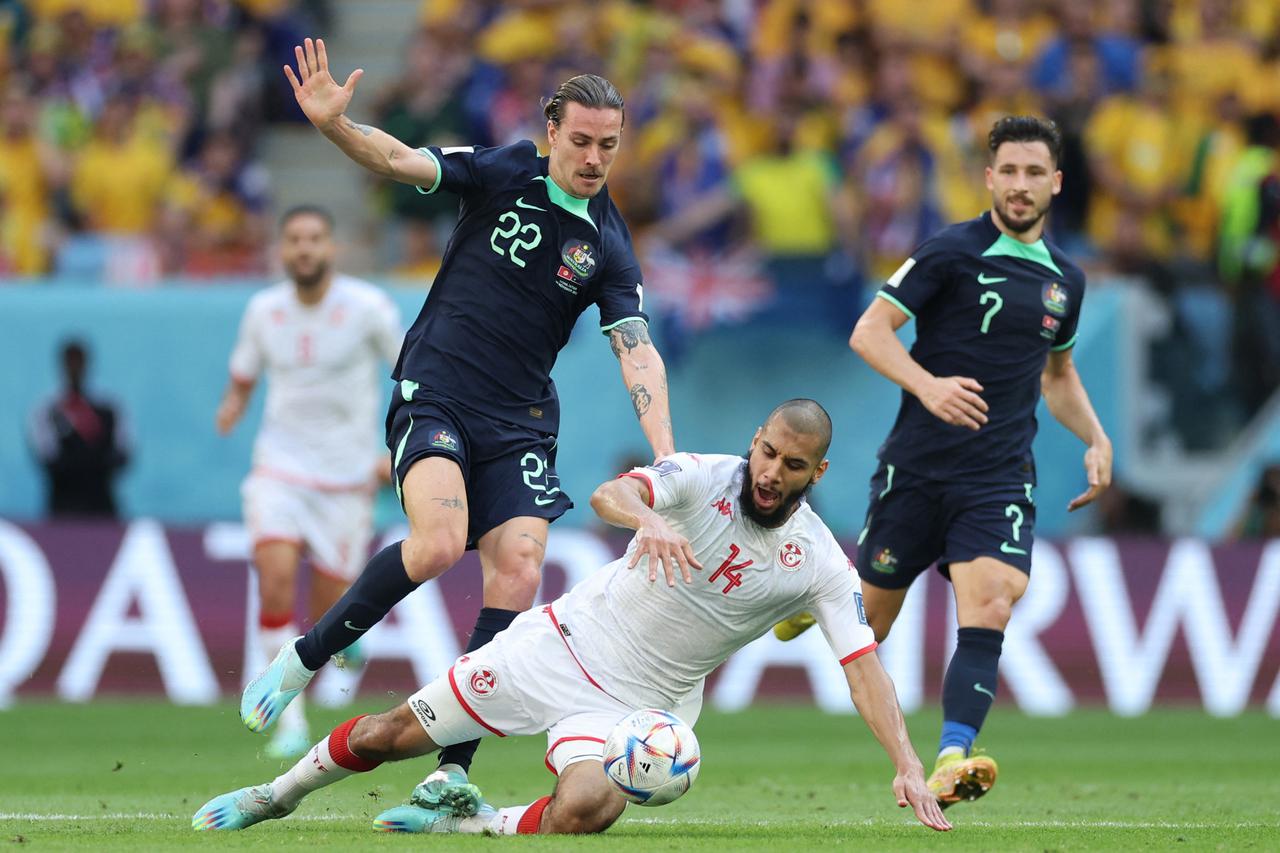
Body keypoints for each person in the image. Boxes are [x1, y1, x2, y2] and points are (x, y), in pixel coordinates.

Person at [239, 38, 676, 813]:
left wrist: (667, 456)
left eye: (609, 144)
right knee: (439, 542)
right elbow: (400, 160)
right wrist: (336, 128)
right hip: (437, 390)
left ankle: (452, 771)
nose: (594, 157)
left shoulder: (609, 245)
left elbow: (636, 352)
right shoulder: (505, 169)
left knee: (518, 568)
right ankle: (306, 658)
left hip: (521, 421)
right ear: (551, 131)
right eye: (581, 140)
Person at [192, 400, 952, 835]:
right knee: (389, 734)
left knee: (587, 807)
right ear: (755, 440)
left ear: (816, 473)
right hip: (560, 645)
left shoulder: (819, 560)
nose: (769, 473)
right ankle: (276, 795)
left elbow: (864, 668)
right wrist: (646, 520)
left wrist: (907, 762)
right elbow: (611, 494)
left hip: (643, 709)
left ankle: (477, 824)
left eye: (791, 465)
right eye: (767, 452)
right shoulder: (701, 477)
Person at [774, 116, 1112, 808]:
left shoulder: (1066, 283)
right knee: (871, 618)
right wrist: (928, 385)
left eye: (1033, 173)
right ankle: (817, 593)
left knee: (990, 601)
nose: (1020, 186)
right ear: (990, 178)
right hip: (917, 470)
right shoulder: (950, 252)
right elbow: (869, 332)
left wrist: (1096, 438)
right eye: (1008, 172)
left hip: (998, 476)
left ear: (1056, 182)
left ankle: (953, 753)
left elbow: (1059, 376)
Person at [216, 204, 403, 759]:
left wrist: (394, 452)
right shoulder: (263, 310)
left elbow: (413, 376)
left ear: (332, 248)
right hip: (278, 469)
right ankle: (290, 721)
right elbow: (244, 374)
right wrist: (232, 405)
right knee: (274, 581)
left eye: (314, 239)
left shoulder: (367, 308)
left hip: (346, 481)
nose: (304, 248)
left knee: (331, 611)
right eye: (294, 239)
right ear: (282, 250)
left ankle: (347, 641)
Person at [28, 339, 131, 517]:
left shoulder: (109, 407)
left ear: (87, 363)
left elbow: (124, 454)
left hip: (103, 506)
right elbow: (46, 458)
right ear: (62, 365)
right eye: (70, 361)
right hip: (62, 508)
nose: (75, 367)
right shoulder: (47, 410)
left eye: (79, 361)